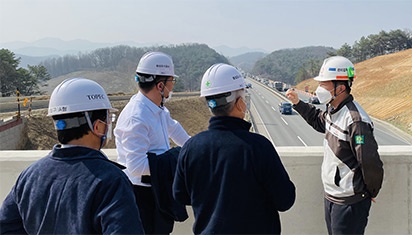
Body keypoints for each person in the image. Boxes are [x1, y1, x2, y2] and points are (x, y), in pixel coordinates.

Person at [0, 78, 144, 234]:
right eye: (107, 119)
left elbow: (6, 228)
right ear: (97, 126)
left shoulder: (30, 175)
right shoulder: (110, 180)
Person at [173, 63, 296, 234]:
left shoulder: (191, 147)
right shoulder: (258, 147)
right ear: (240, 103)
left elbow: (180, 195)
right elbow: (285, 200)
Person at [285, 56, 384, 235]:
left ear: (341, 87)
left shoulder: (355, 121)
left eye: (325, 84)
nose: (320, 89)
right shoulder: (333, 110)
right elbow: (318, 121)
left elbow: (370, 162)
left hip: (349, 201)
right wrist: (297, 103)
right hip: (332, 196)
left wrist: (370, 191)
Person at [114, 51, 190, 234]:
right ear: (160, 85)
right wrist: (175, 160)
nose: (172, 88)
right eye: (171, 82)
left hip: (156, 188)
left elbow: (174, 129)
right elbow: (136, 165)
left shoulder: (157, 109)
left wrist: (194, 150)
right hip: (141, 196)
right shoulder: (136, 116)